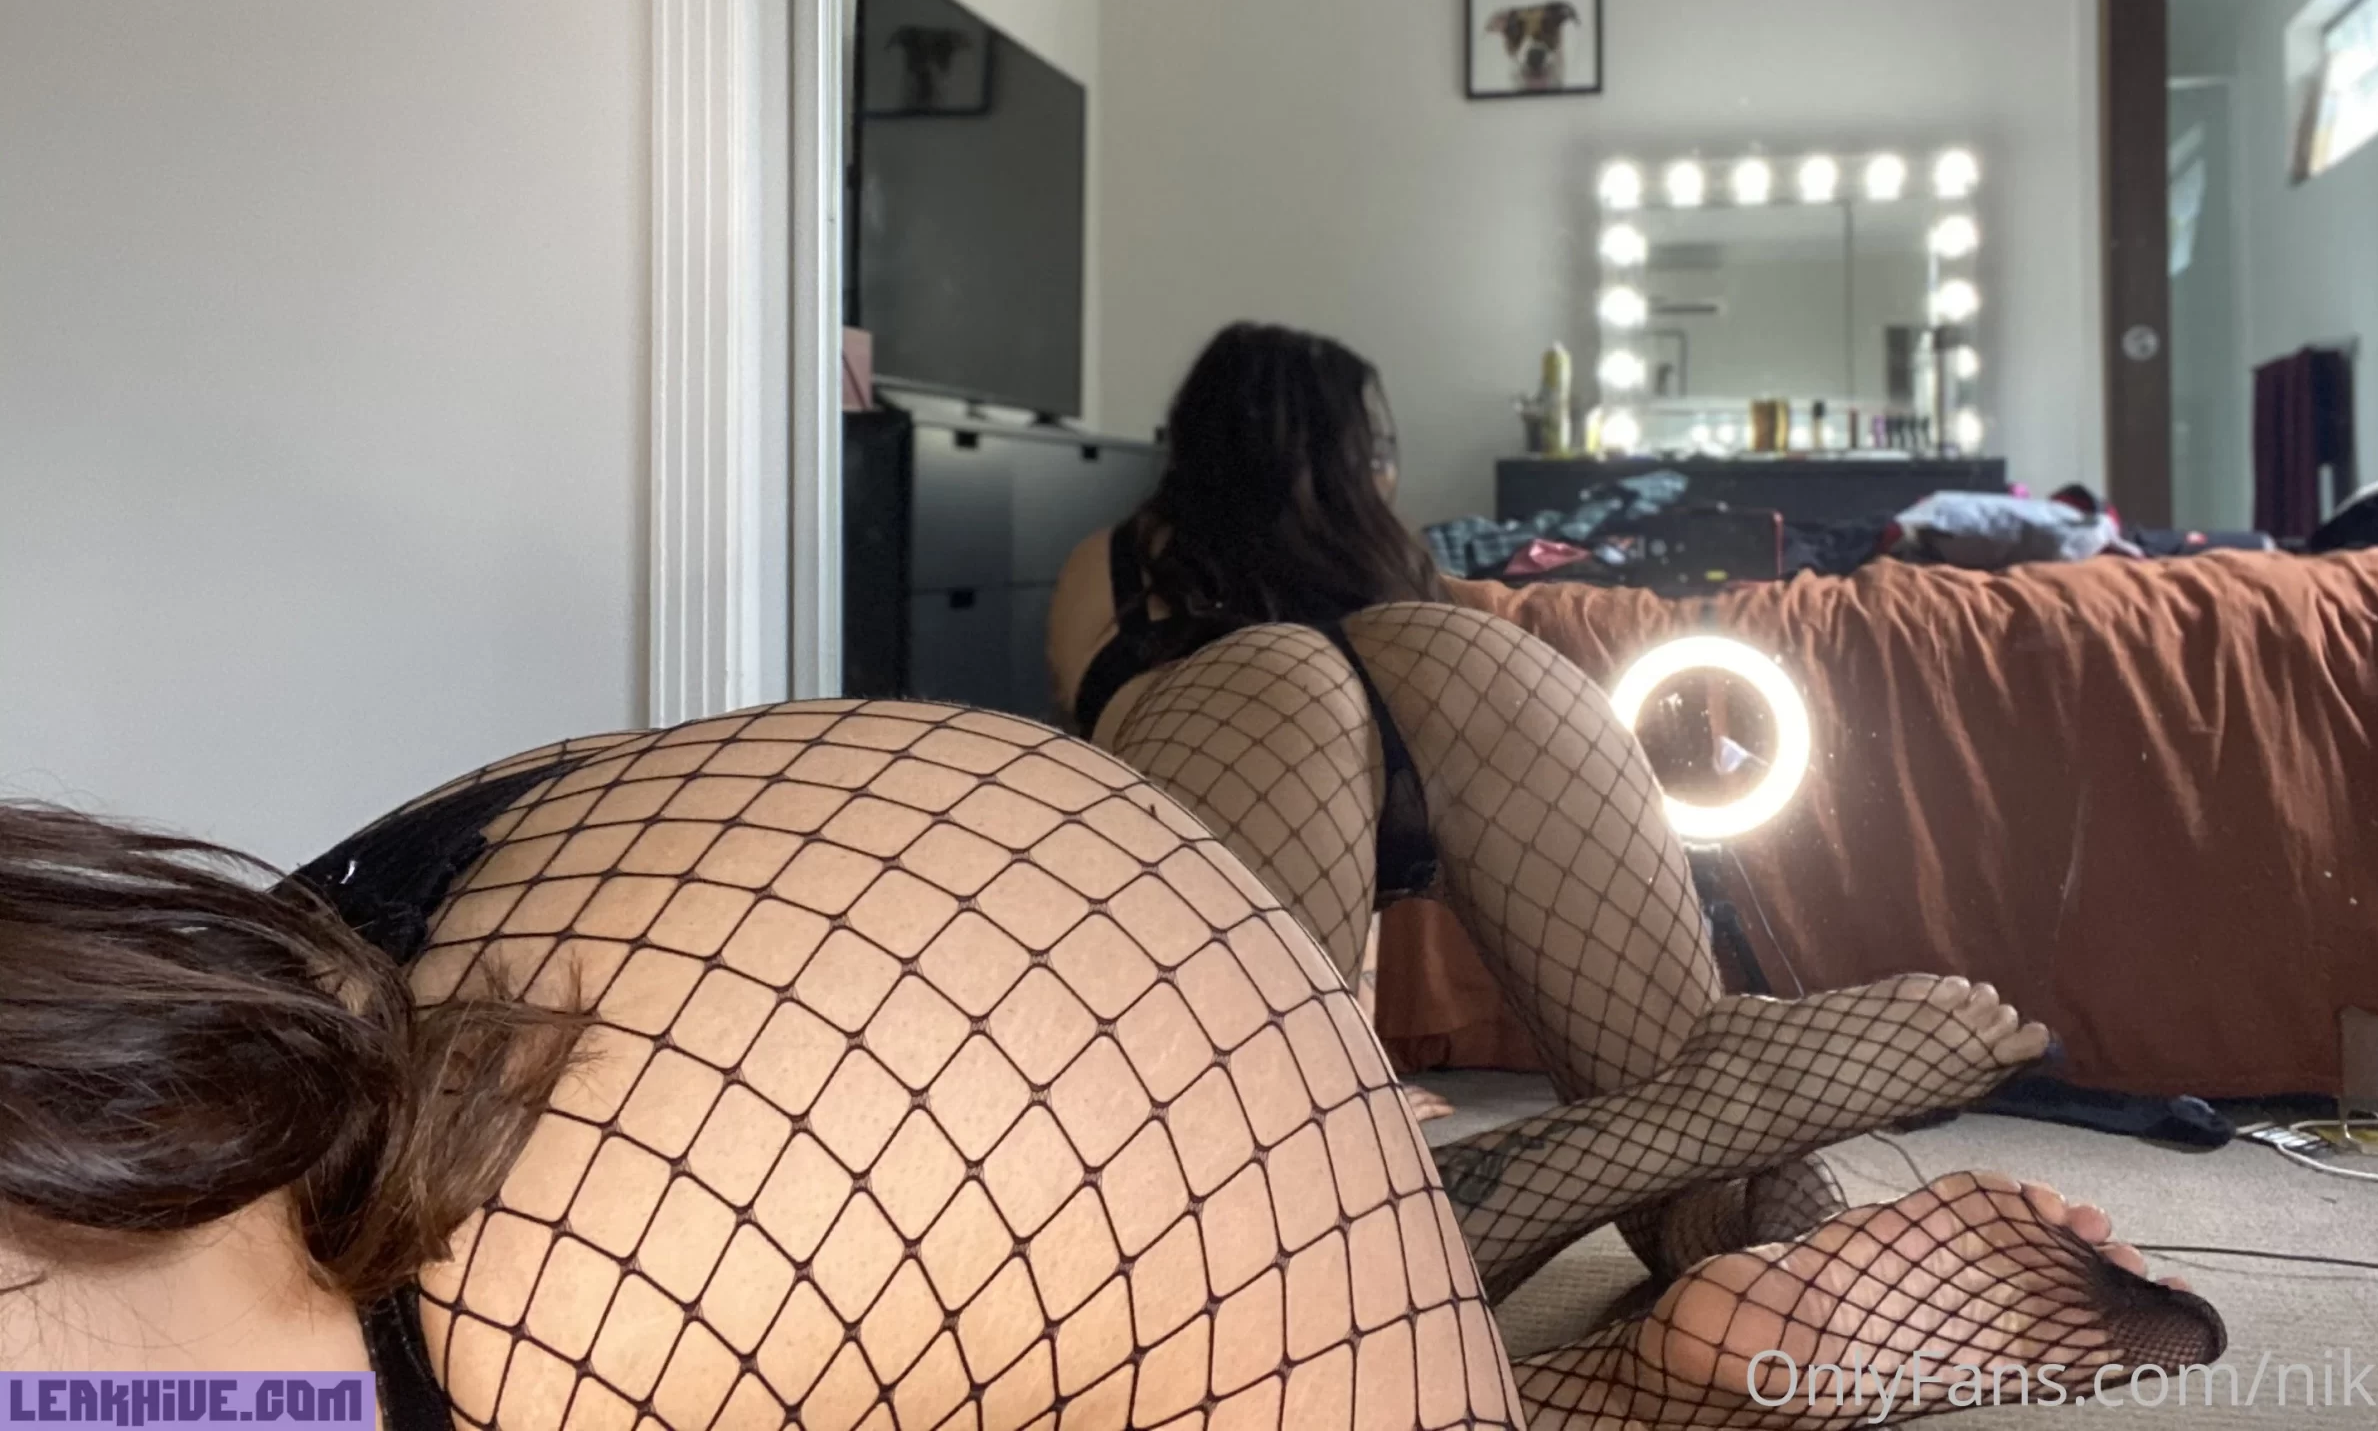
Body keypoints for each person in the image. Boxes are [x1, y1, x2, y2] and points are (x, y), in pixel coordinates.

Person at [1, 713, 2219, 1428]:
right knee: (1401, 665)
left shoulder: (1117, 578)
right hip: (472, 928)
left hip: (635, 1223)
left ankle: (1583, 1300)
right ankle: (1535, 1187)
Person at [1045, 322, 2167, 1283]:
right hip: (1457, 677)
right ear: (1350, 459)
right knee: (1709, 1221)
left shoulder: (1114, 560)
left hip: (1238, 712)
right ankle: (1754, 1145)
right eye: (1377, 453)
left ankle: (1720, 1120)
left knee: (1264, 1238)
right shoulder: (1407, 580)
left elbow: (1101, 732)